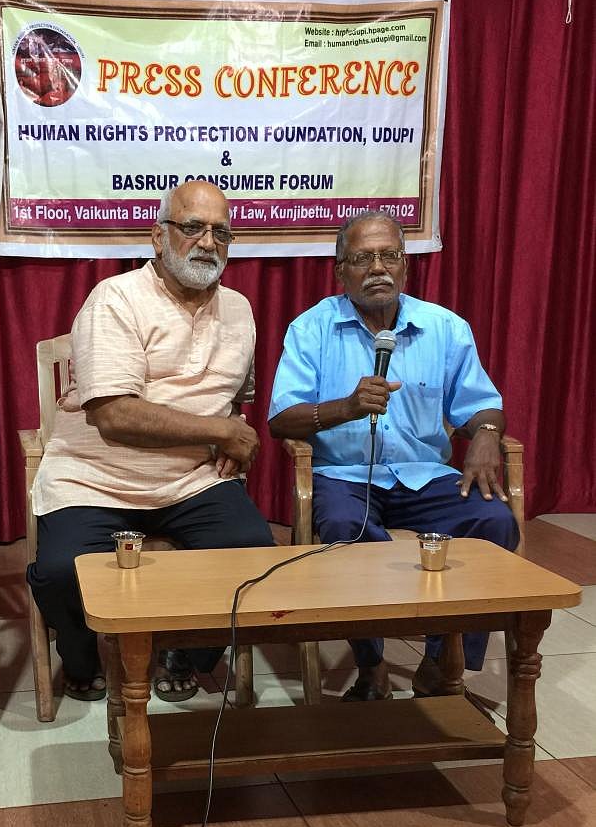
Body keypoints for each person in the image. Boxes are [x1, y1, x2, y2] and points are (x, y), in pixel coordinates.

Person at [28, 180, 275, 702]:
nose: (208, 243)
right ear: (158, 238)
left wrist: (233, 431)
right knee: (57, 572)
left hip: (191, 480)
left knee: (251, 553)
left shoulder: (240, 309)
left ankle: (187, 649)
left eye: (221, 233)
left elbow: (236, 399)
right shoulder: (116, 298)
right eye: (192, 228)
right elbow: (114, 415)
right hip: (95, 477)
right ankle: (78, 655)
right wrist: (220, 431)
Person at [268, 210, 519, 703]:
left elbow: (479, 404)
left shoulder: (445, 327)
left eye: (390, 256)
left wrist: (487, 432)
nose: (378, 268)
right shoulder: (310, 329)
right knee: (346, 529)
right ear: (341, 271)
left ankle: (439, 660)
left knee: (494, 521)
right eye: (363, 258)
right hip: (345, 476)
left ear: (406, 267)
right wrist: (345, 408)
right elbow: (281, 420)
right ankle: (372, 663)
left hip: (426, 476)